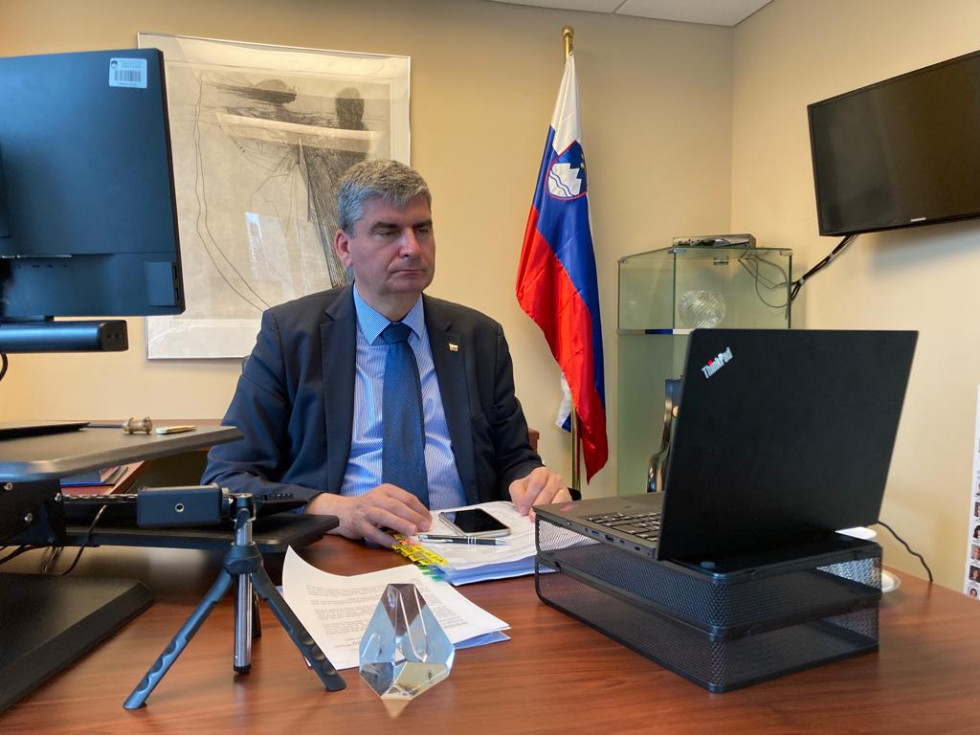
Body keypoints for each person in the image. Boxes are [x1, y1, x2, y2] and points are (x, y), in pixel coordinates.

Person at [203, 159, 569, 546]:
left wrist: (532, 480)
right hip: (336, 550)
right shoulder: (290, 335)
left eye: (422, 229)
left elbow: (513, 456)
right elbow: (227, 477)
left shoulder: (479, 336)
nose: (411, 248)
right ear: (345, 247)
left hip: (468, 553)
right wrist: (332, 509)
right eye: (388, 231)